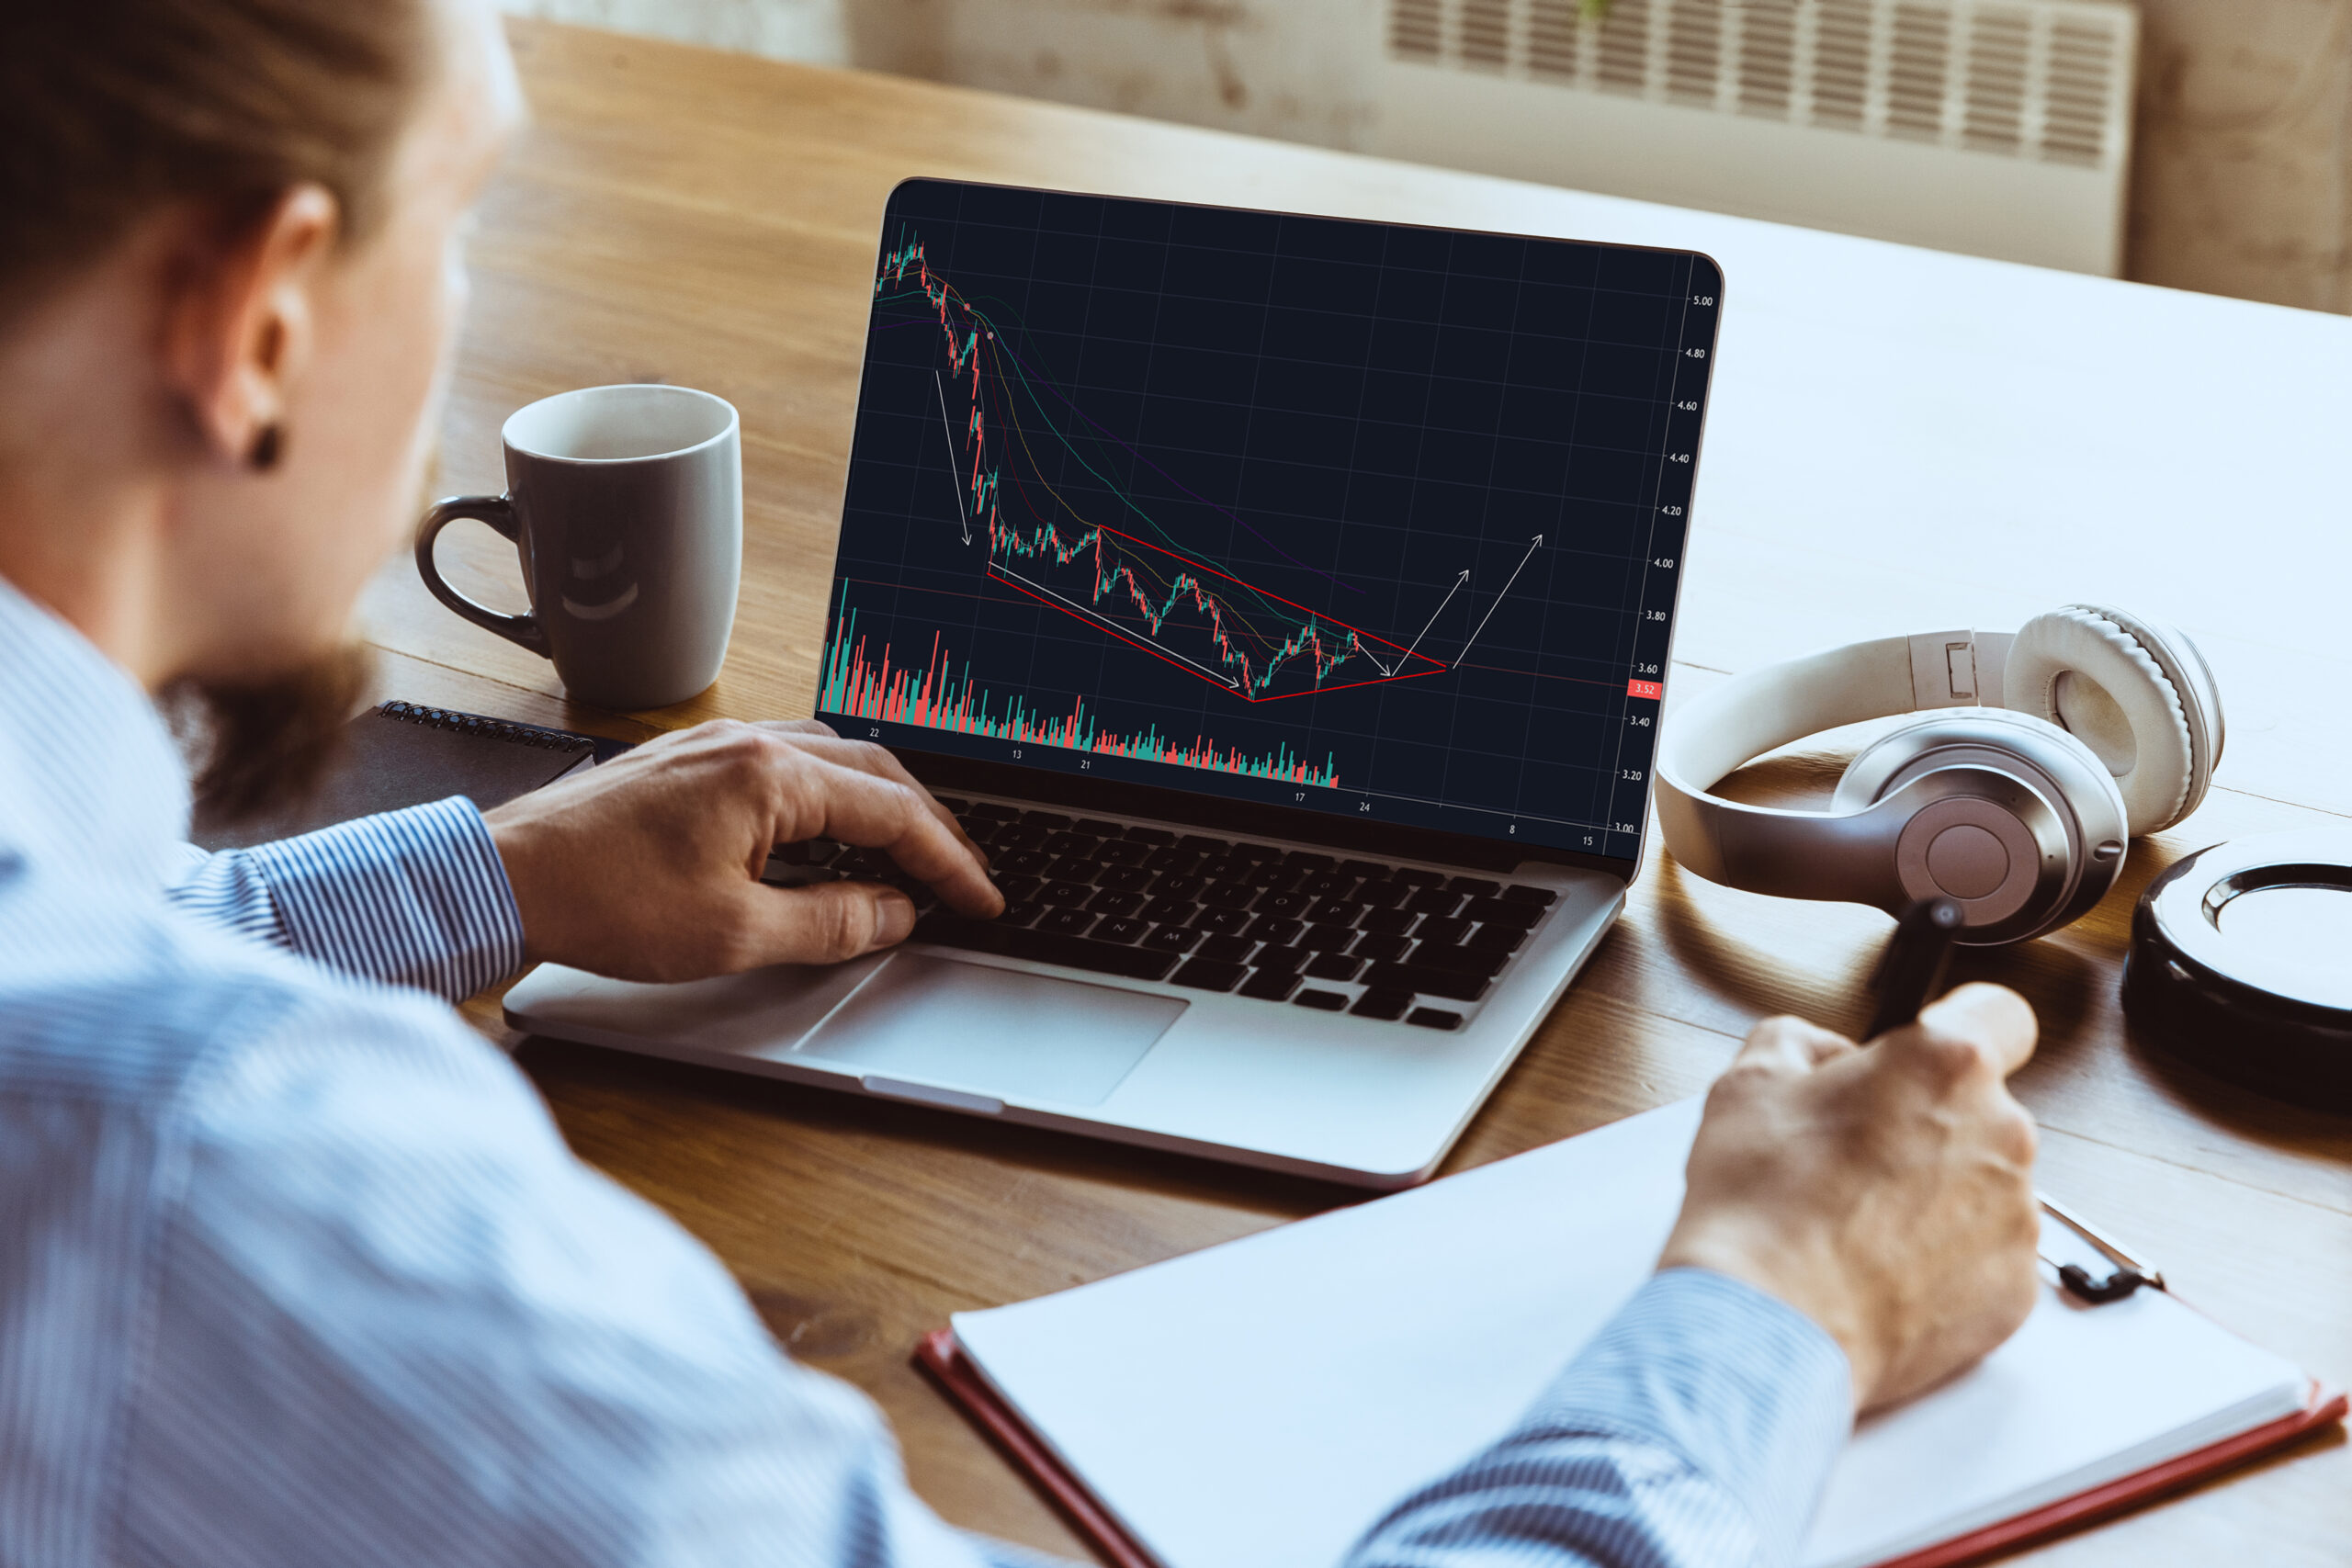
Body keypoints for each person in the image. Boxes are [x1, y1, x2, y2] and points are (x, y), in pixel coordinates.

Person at [0, 2, 2043, 1564]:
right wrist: (1783, 1298)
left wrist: (496, 878)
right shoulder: (240, 1186)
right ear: (256, 319)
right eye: (458, 216)